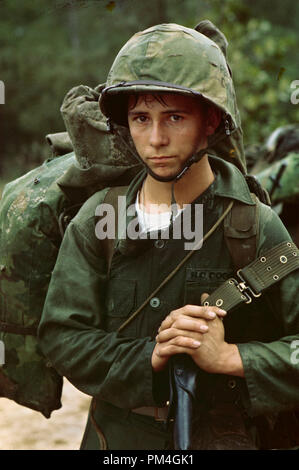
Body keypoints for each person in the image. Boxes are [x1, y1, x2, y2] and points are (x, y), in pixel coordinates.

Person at [38, 23, 299, 450]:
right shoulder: (101, 218)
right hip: (115, 440)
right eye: (141, 119)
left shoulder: (254, 225)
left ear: (211, 120)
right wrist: (149, 358)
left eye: (175, 117)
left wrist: (233, 358)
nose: (155, 139)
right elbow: (63, 336)